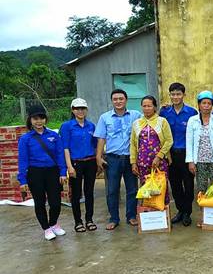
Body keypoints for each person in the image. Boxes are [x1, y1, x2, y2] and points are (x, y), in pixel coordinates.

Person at [94, 89, 142, 230]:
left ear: (126, 100)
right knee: (112, 190)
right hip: (112, 159)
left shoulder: (136, 115)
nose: (118, 101)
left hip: (131, 159)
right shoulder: (105, 118)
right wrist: (98, 156)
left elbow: (149, 120)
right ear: (112, 101)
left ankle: (131, 216)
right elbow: (101, 138)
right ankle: (114, 218)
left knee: (132, 189)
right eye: (115, 99)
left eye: (121, 99)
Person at [18, 105, 67, 240]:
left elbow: (59, 155)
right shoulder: (25, 139)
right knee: (39, 202)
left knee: (55, 202)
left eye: (41, 118)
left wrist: (63, 172)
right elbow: (23, 160)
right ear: (30, 120)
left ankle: (53, 223)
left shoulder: (54, 136)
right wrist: (22, 180)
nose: (38, 121)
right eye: (35, 119)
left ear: (45, 119)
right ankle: (46, 228)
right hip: (35, 173)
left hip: (53, 172)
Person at [159, 82, 198, 225]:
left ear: (184, 95)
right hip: (170, 155)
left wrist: (193, 158)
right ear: (169, 95)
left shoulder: (192, 112)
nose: (175, 97)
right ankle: (180, 210)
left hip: (187, 154)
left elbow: (196, 135)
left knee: (188, 185)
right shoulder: (164, 113)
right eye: (173, 94)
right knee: (174, 185)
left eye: (178, 94)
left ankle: (187, 213)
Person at [59, 98, 98, 233]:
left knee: (89, 192)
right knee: (76, 194)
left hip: (90, 162)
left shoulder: (91, 126)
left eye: (83, 108)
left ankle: (89, 219)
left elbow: (95, 145)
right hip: (76, 163)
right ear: (72, 110)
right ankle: (78, 221)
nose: (80, 111)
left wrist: (99, 161)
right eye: (77, 108)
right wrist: (69, 166)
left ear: (86, 110)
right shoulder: (67, 126)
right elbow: (65, 148)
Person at [186, 90, 213, 215]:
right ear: (199, 105)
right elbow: (189, 142)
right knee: (202, 189)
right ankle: (204, 216)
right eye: (203, 103)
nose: (206, 106)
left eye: (209, 103)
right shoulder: (192, 120)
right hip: (200, 161)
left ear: (212, 105)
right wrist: (191, 161)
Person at [130, 95, 174, 205]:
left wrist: (159, 157)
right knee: (146, 189)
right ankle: (149, 218)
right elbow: (133, 145)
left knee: (161, 187)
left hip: (160, 162)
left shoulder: (162, 121)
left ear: (154, 107)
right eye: (144, 106)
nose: (146, 108)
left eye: (149, 106)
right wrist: (133, 162)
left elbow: (169, 141)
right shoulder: (136, 123)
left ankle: (163, 217)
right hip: (142, 162)